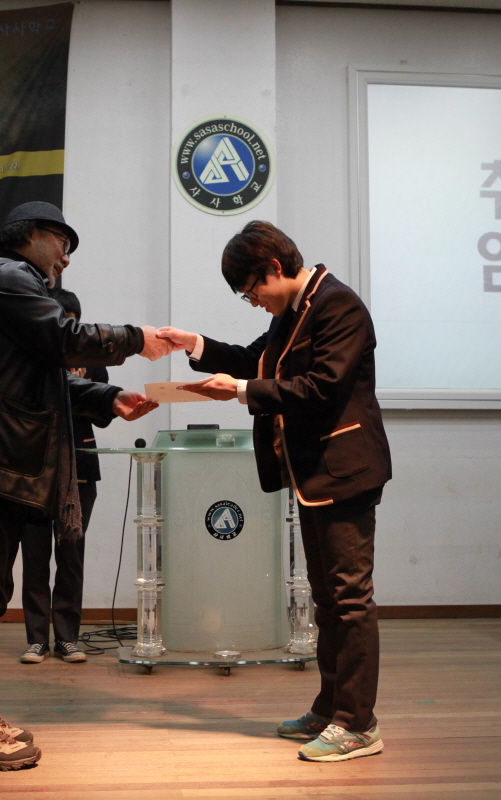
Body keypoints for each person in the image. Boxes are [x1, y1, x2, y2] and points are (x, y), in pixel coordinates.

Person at [0, 200, 168, 771]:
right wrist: (139, 337)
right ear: (31, 234)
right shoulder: (8, 276)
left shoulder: (9, 283)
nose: (66, 259)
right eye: (63, 243)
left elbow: (45, 379)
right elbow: (64, 339)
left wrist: (109, 397)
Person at [158, 220, 392, 763]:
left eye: (251, 291)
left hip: (346, 472)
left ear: (274, 268)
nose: (254, 302)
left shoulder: (338, 305)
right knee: (327, 601)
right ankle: (331, 708)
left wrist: (242, 391)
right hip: (313, 476)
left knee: (350, 600)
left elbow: (322, 387)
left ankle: (358, 723)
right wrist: (194, 345)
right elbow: (255, 361)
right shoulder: (294, 311)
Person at [19, 288, 110, 665]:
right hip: (34, 469)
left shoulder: (92, 358)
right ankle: (36, 639)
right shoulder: (30, 357)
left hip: (80, 468)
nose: (64, 328)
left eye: (70, 321)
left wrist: (77, 390)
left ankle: (68, 638)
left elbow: (103, 413)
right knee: (35, 556)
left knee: (71, 556)